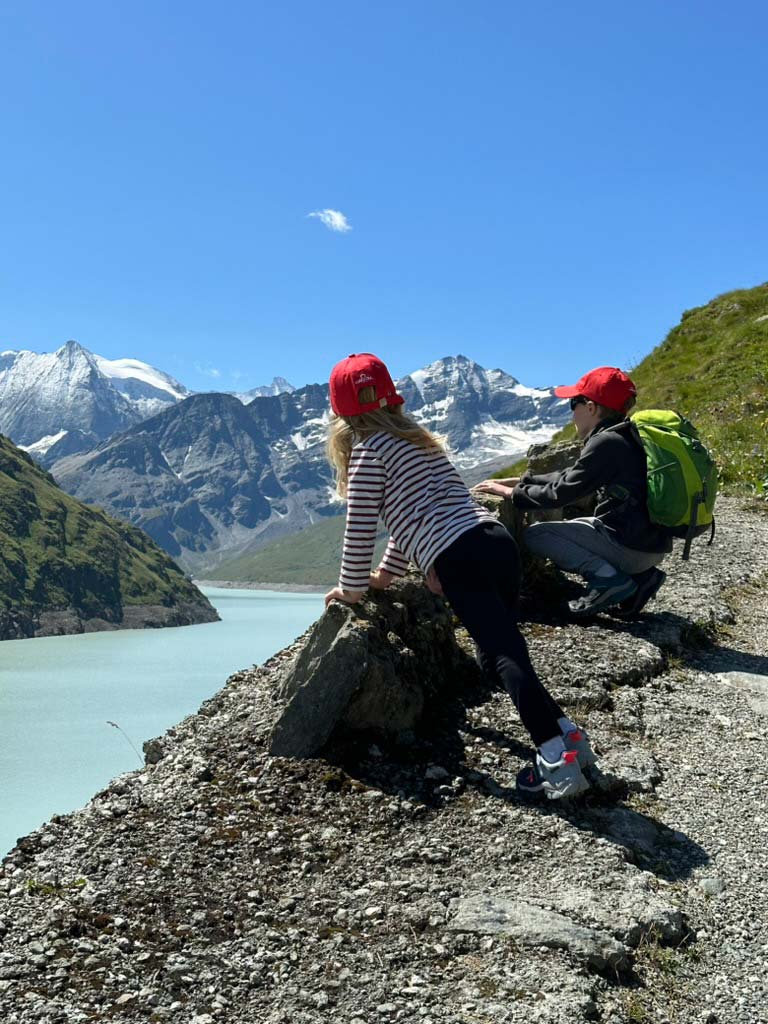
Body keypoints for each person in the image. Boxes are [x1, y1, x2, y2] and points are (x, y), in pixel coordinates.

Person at [323, 352, 596, 800]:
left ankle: (555, 761)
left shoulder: (367, 452)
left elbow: (361, 526)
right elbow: (409, 521)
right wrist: (386, 576)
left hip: (460, 556)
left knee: (503, 657)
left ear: (342, 414)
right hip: (494, 541)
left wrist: (353, 589)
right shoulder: (420, 442)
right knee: (506, 654)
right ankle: (568, 736)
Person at [476, 366, 670, 618]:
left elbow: (562, 493)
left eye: (573, 404)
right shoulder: (627, 436)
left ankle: (609, 580)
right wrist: (523, 480)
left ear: (590, 407)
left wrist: (511, 493)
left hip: (631, 547)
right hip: (651, 547)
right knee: (583, 523)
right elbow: (572, 477)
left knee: (537, 535)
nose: (572, 415)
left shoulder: (606, 442)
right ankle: (641, 579)